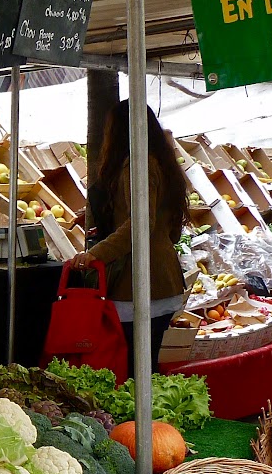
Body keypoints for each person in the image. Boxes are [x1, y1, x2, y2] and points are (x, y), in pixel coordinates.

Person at [75, 101, 190, 374]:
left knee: (131, 369)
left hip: (138, 282)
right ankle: (146, 415)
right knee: (145, 366)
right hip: (162, 279)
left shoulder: (137, 164)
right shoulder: (162, 162)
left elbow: (139, 224)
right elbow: (170, 225)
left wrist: (95, 253)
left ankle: (137, 417)